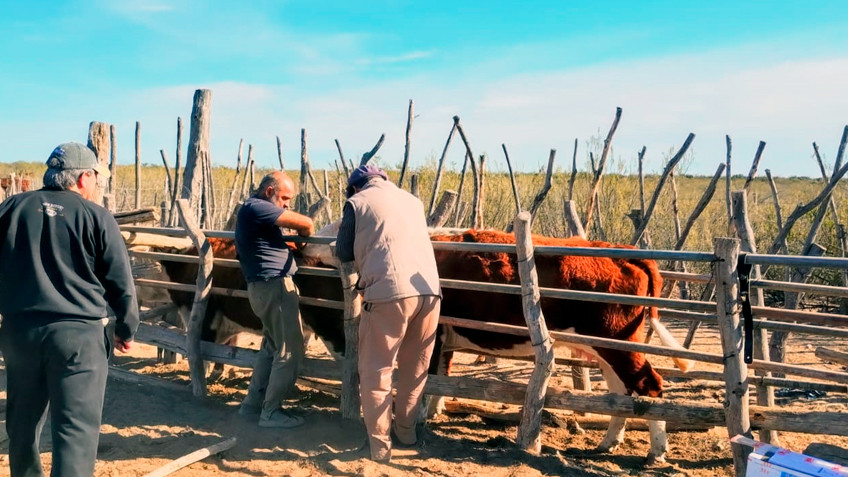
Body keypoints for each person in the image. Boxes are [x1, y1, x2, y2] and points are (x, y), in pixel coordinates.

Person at [0, 142, 139, 477]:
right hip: (79, 337)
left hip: (21, 332)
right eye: (95, 179)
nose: (95, 186)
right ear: (83, 178)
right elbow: (120, 282)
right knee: (75, 430)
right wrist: (126, 328)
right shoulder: (96, 217)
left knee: (22, 424)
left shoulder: (10, 209)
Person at [335, 164, 441, 462]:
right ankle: (406, 434)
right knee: (415, 369)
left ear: (356, 187)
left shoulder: (356, 203)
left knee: (377, 370)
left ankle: (379, 447)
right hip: (430, 292)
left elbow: (343, 251)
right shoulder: (413, 201)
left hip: (389, 292)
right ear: (383, 179)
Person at [235, 171, 314, 428]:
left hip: (263, 286)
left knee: (271, 347)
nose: (287, 204)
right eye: (284, 197)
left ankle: (252, 405)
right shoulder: (257, 208)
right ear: (269, 191)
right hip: (275, 286)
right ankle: (271, 412)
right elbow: (307, 224)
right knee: (289, 350)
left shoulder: (254, 211)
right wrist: (306, 234)